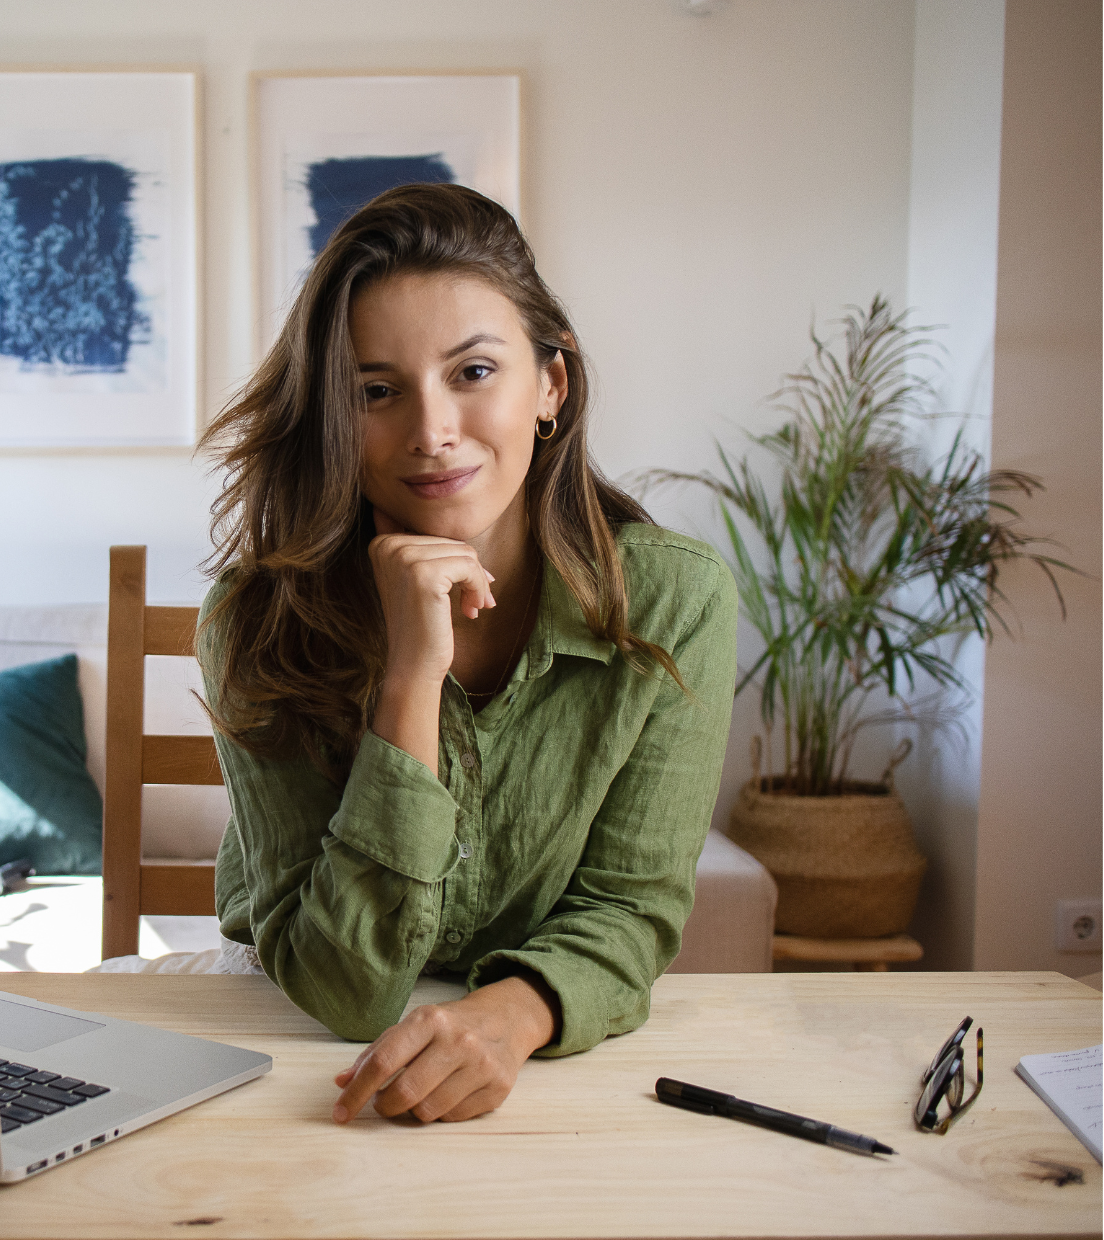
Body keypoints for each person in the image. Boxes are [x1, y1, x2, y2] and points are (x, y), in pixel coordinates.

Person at [195, 183, 737, 1126]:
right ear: (333, 414)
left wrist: (512, 1016)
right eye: (376, 391)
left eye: (473, 372)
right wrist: (410, 678)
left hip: (554, 1069)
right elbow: (344, 990)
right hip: (292, 1060)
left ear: (551, 387)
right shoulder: (256, 621)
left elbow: (630, 911)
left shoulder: (673, 600)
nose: (432, 431)